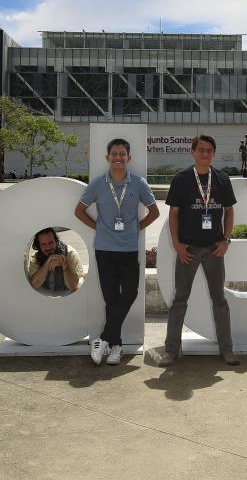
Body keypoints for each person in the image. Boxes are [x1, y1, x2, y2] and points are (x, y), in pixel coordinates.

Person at [75, 138, 159, 365]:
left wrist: (136, 228)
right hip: (104, 249)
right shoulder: (98, 184)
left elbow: (155, 212)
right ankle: (117, 346)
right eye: (114, 154)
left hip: (129, 249)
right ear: (107, 157)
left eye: (122, 154)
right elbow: (79, 211)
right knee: (111, 298)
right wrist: (99, 227)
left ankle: (103, 339)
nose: (118, 158)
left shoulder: (139, 183)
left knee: (130, 292)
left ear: (128, 158)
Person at [159, 134, 239, 366]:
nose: (205, 154)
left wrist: (226, 240)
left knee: (219, 300)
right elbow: (173, 214)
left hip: (215, 248)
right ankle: (171, 351)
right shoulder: (181, 179)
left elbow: (229, 212)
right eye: (201, 150)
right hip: (188, 249)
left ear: (213, 153)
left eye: (209, 150)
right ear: (193, 152)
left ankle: (227, 349)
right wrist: (177, 244)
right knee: (180, 300)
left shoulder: (222, 179)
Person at [26, 228, 85, 294]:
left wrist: (65, 267)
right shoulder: (35, 257)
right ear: (39, 246)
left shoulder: (70, 253)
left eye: (50, 242)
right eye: (43, 244)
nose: (48, 247)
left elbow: (74, 287)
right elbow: (34, 284)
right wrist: (47, 263)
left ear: (56, 241)